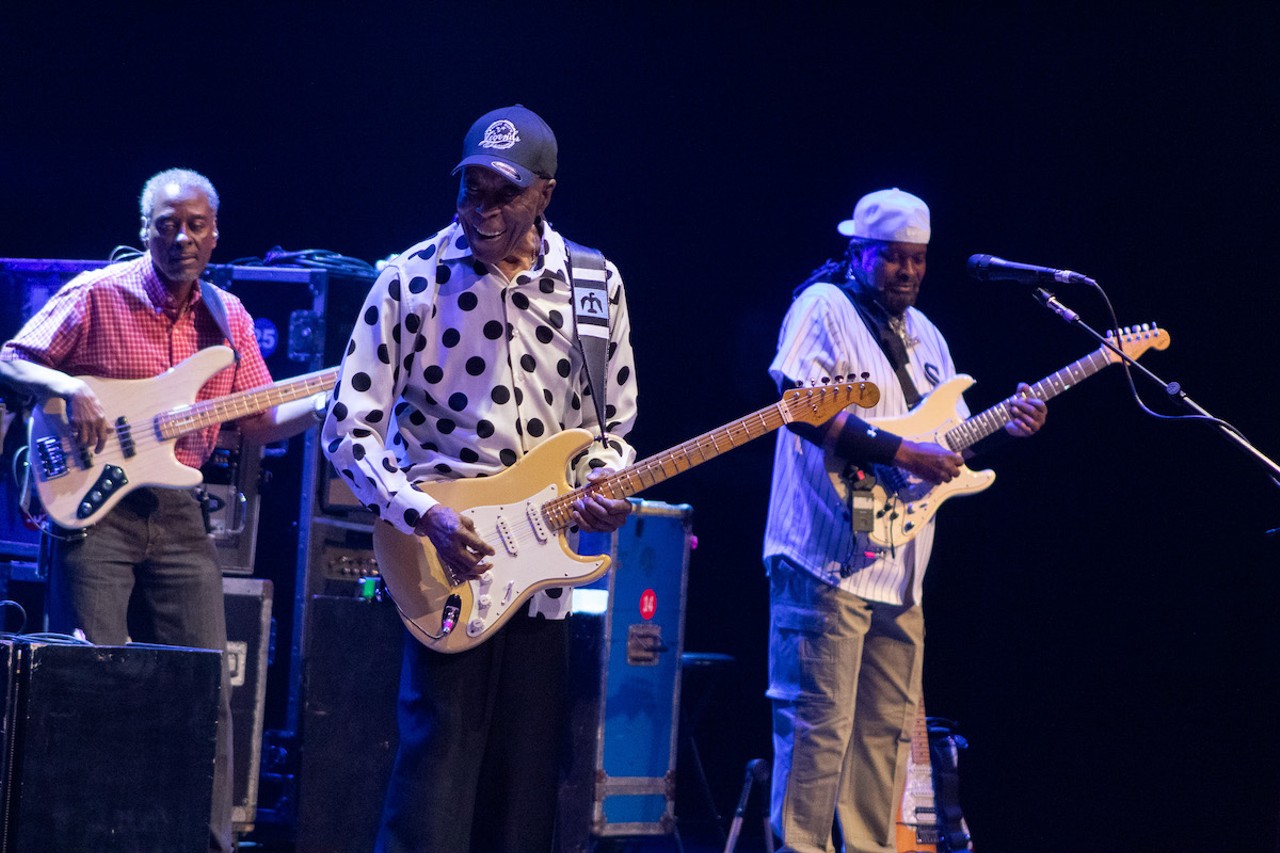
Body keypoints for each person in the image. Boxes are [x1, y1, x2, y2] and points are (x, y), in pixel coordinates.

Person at [320, 104, 639, 853]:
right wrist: (417, 512)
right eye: (472, 188)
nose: (483, 208)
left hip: (544, 569)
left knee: (524, 789)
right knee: (434, 776)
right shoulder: (409, 279)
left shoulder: (593, 284)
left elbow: (612, 430)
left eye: (504, 192)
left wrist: (605, 487)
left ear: (545, 195)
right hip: (447, 554)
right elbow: (347, 425)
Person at [0, 168, 322, 853]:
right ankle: (85, 837)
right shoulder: (96, 296)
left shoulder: (227, 317)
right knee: (93, 679)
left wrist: (329, 400)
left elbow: (259, 416)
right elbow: (12, 358)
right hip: (94, 513)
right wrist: (65, 385)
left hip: (180, 514)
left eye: (195, 224)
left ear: (214, 234)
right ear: (145, 230)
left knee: (205, 685)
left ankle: (209, 843)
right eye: (167, 224)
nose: (181, 236)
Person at [762, 188, 1047, 853]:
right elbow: (798, 405)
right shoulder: (823, 307)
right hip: (823, 558)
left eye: (918, 260)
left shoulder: (928, 336)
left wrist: (1009, 427)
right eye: (893, 259)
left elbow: (949, 447)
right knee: (815, 732)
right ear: (858, 253)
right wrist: (900, 450)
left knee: (886, 734)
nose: (909, 272)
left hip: (900, 566)